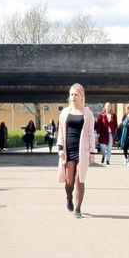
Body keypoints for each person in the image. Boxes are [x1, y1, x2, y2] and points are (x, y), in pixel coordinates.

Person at [56, 84, 96, 218]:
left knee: (80, 178)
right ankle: (69, 197)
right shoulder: (64, 112)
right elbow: (61, 131)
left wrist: (92, 151)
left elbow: (91, 133)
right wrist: (60, 148)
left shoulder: (88, 113)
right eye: (71, 94)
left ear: (82, 96)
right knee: (69, 182)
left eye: (76, 94)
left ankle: (78, 209)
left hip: (82, 151)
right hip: (68, 149)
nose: (73, 97)